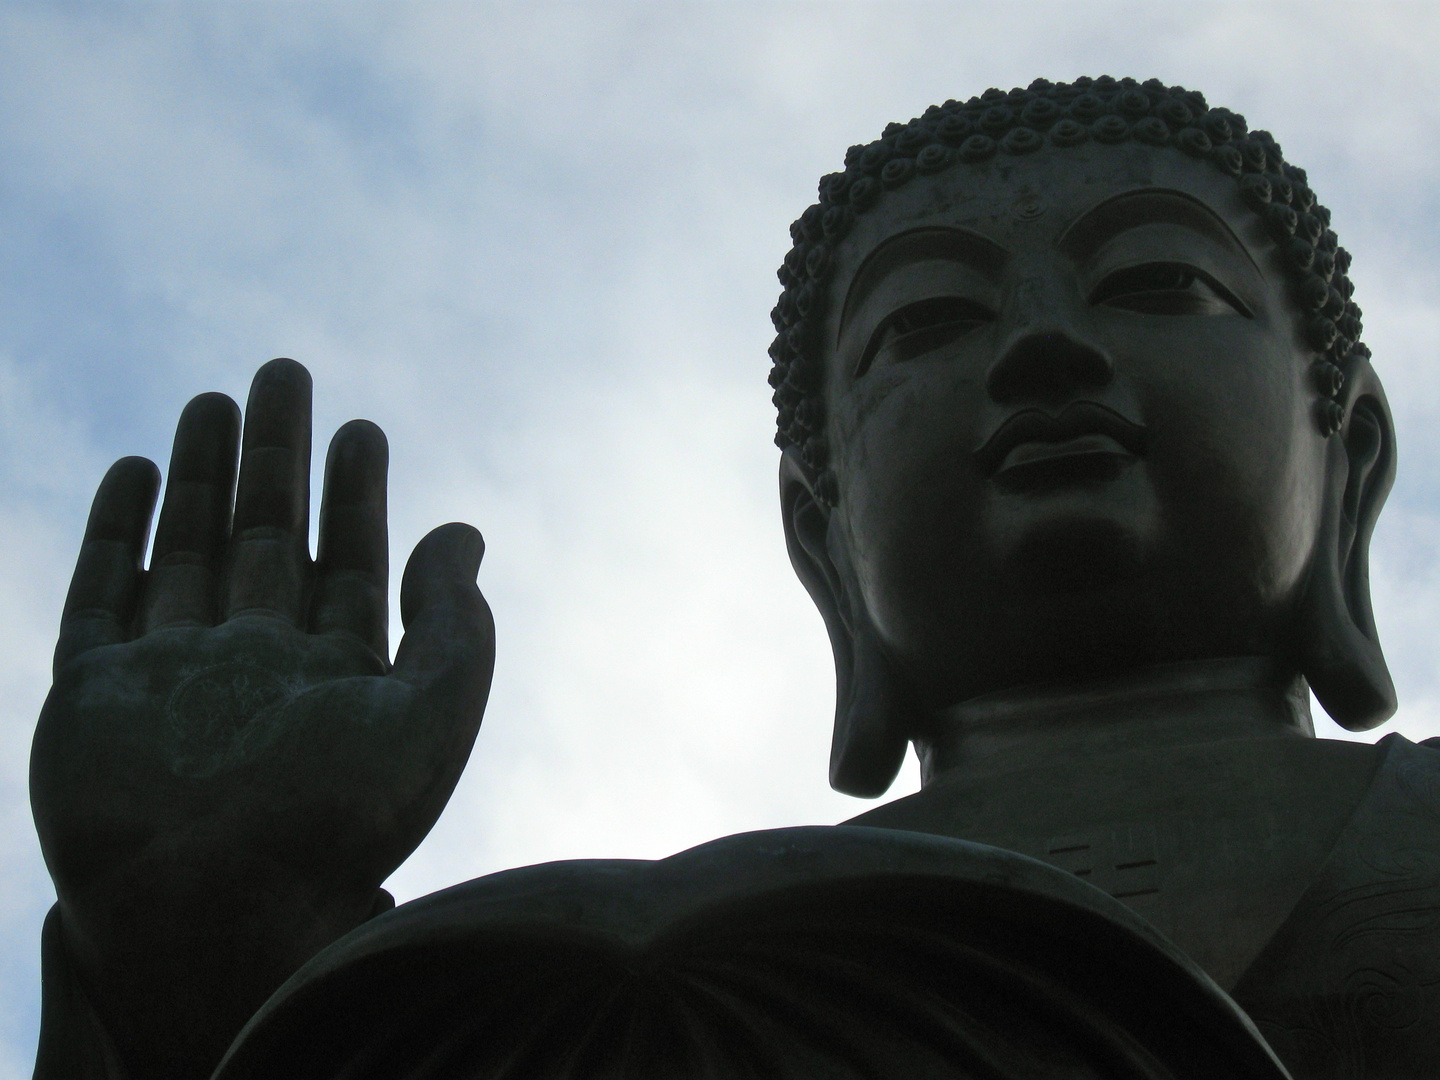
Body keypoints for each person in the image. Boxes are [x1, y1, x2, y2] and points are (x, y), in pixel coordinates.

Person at [29, 78, 1437, 1079]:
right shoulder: (663, 971)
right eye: (928, 322)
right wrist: (201, 949)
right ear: (822, 538)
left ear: (1353, 449)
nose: (1043, 351)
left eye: (1155, 283)